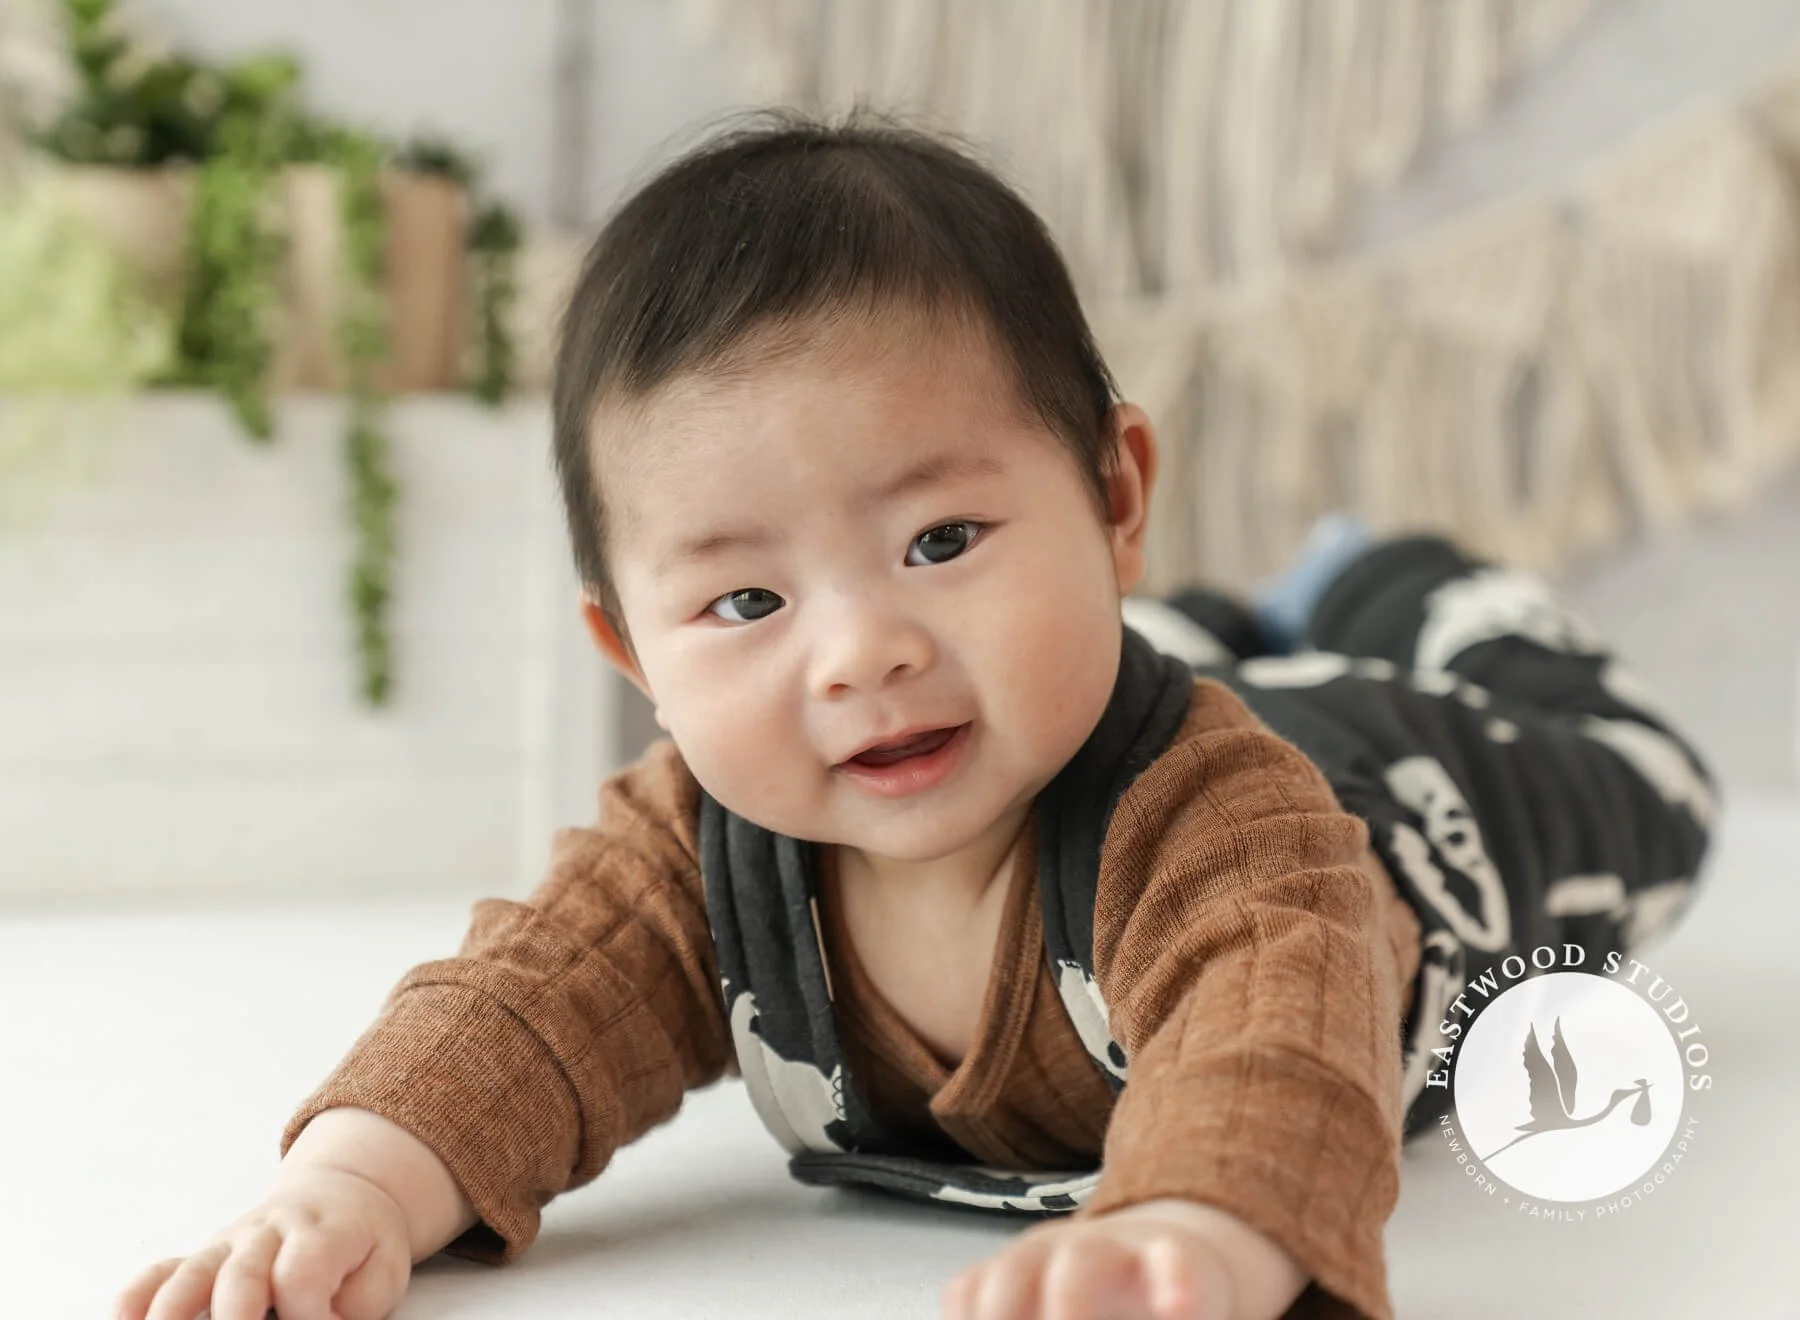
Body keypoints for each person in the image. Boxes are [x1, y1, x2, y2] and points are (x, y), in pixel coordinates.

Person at [114, 110, 1716, 1320]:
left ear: (1112, 490)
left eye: (939, 542)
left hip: (1416, 799)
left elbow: (1275, 1041)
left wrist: (1205, 1231)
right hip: (1099, 664)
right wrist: (348, 1188)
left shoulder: (1229, 831)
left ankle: (1389, 578)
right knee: (1120, 652)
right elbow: (521, 1012)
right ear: (630, 651)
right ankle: (1199, 618)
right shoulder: (712, 841)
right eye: (748, 603)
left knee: (1635, 780)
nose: (859, 655)